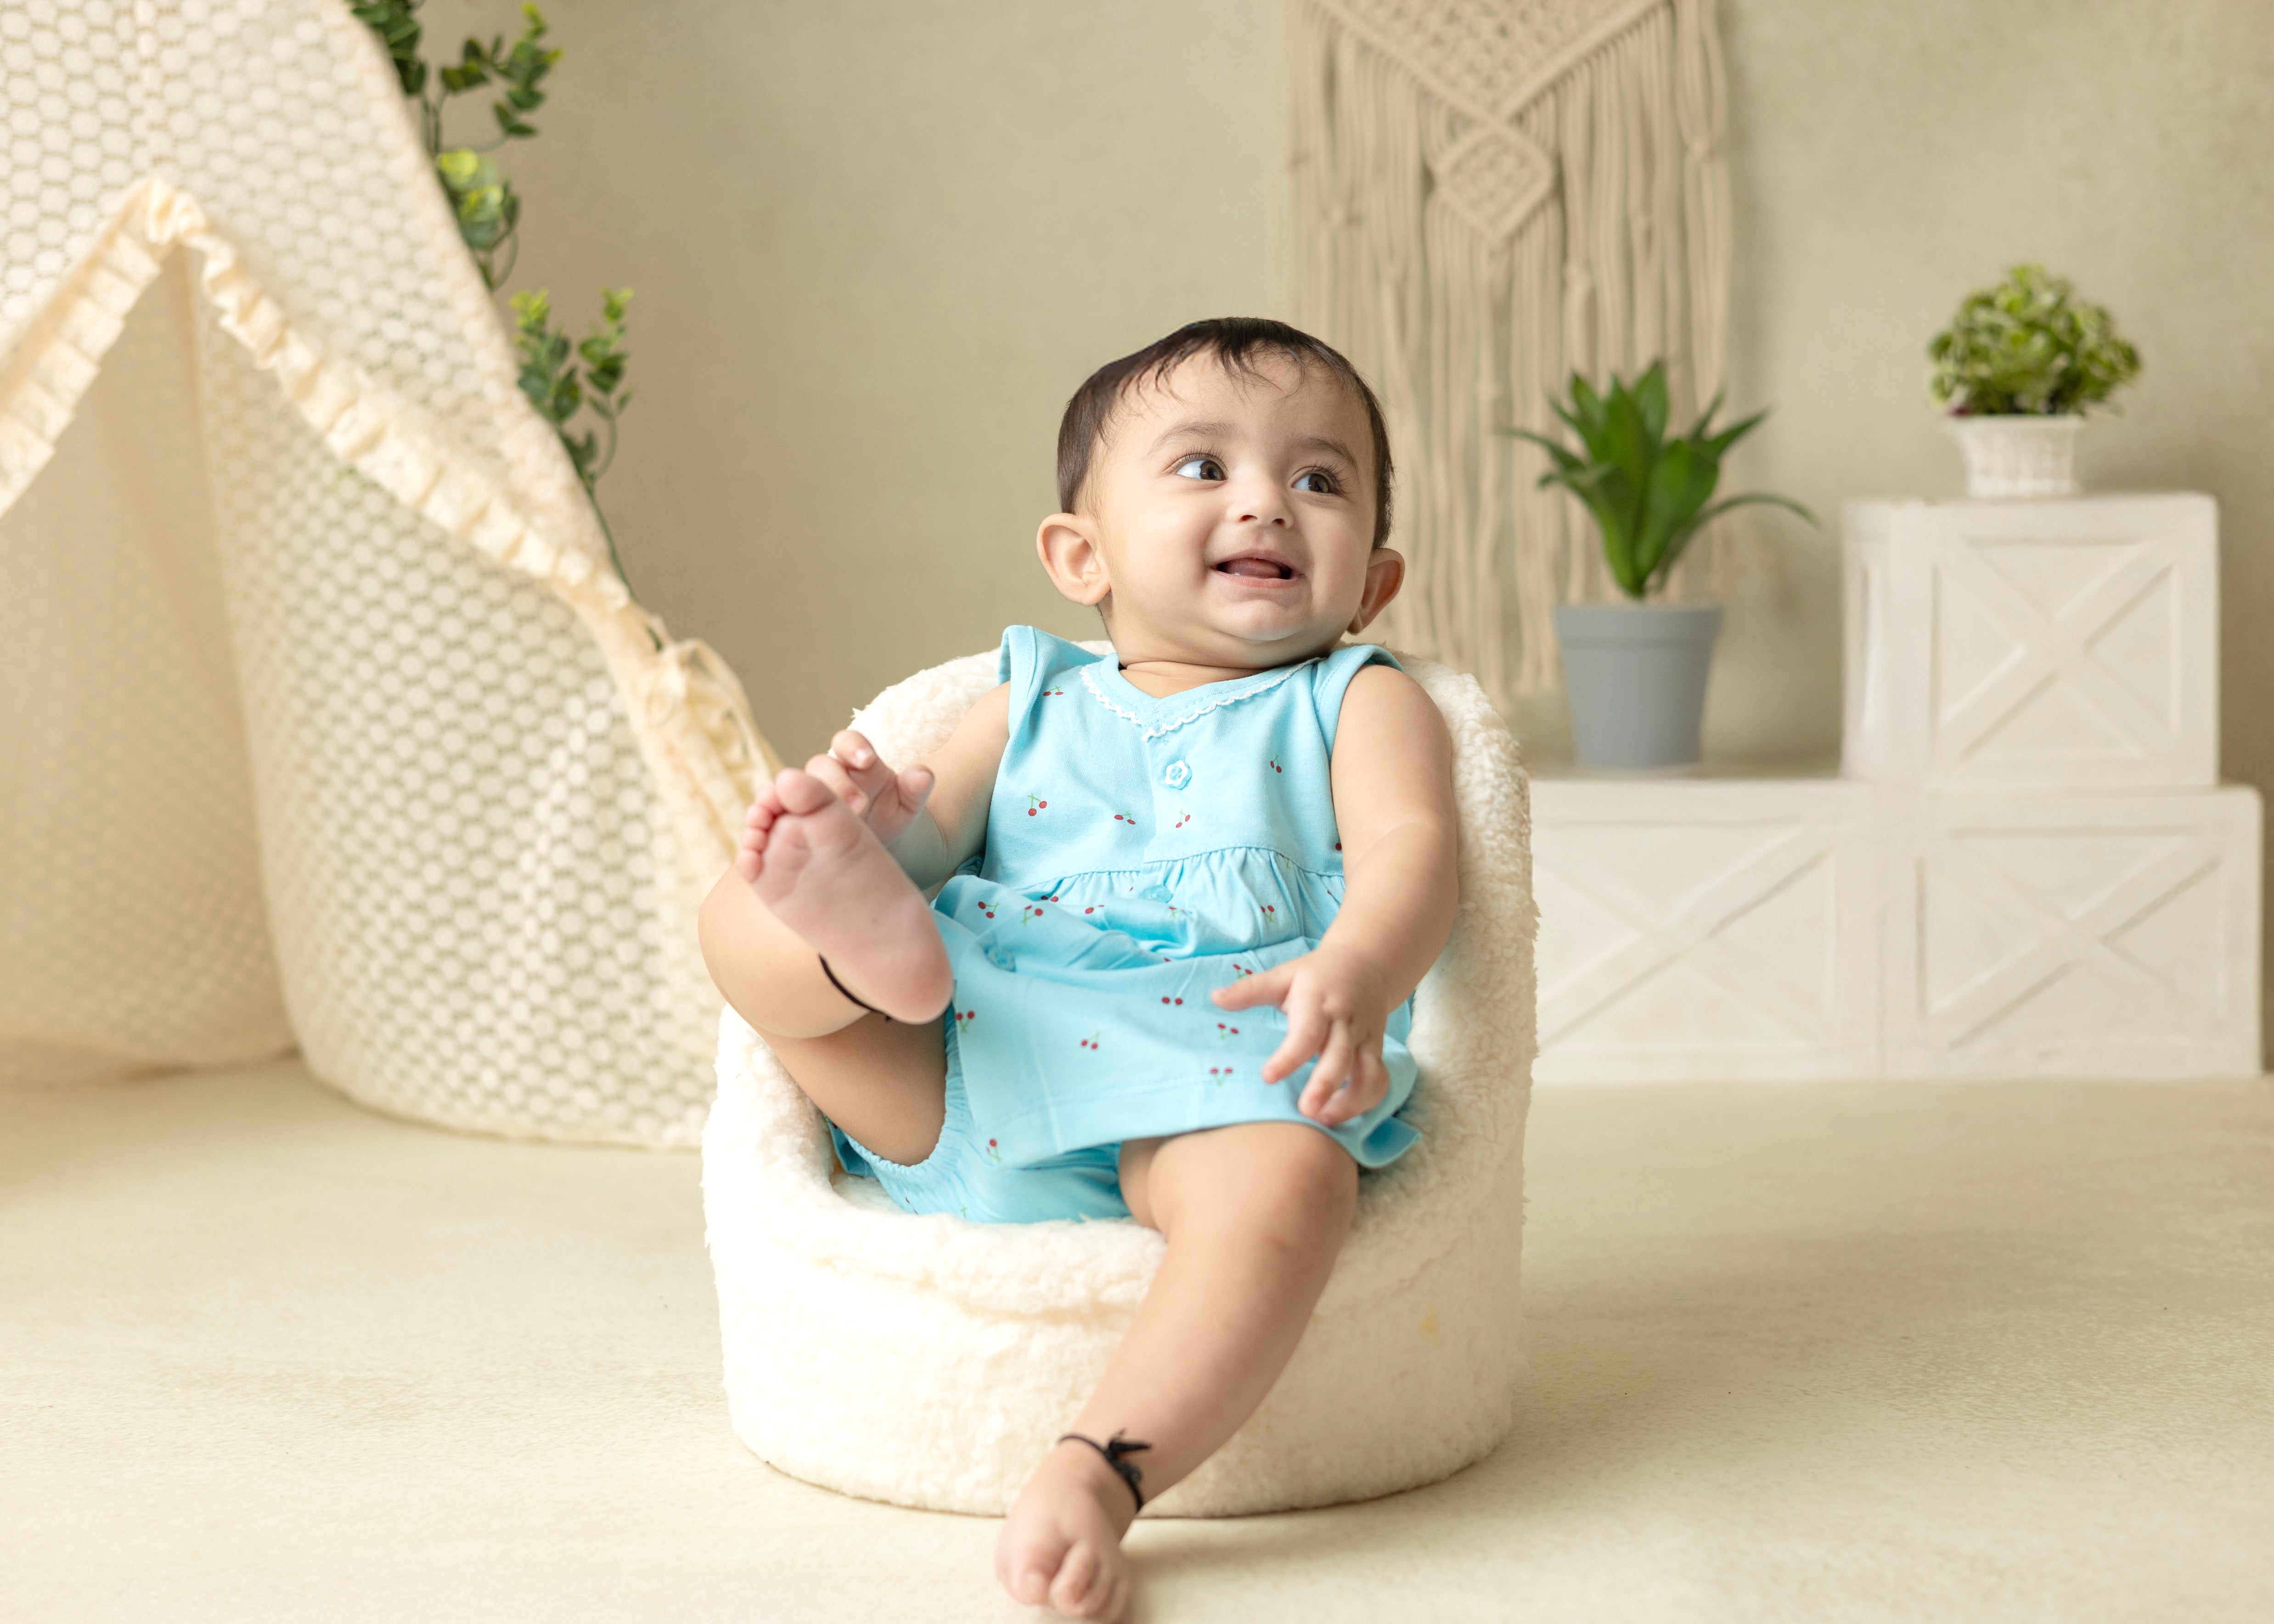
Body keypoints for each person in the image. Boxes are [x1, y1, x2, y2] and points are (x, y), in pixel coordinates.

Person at [698, 317, 1458, 1622]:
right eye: (1204, 467)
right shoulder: (1027, 697)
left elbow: (1413, 849)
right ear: (1080, 555)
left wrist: (1358, 970)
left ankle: (1101, 1469)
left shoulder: (1353, 697)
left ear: (1372, 584)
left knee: (1288, 1183)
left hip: (1209, 1067)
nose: (1267, 500)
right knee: (744, 919)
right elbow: (941, 834)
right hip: (964, 1043)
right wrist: (882, 842)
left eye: (1320, 478)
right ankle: (860, 949)